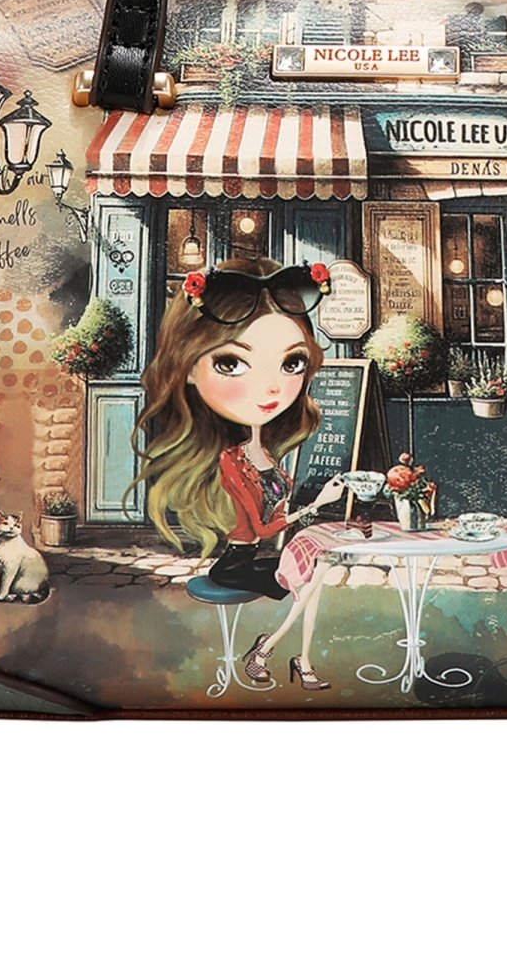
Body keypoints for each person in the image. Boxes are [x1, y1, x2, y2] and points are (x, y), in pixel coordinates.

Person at [134, 254, 356, 691]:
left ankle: (295, 656)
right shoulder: (230, 462)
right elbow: (263, 527)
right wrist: (317, 505)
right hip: (234, 566)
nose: (272, 388)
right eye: (231, 363)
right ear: (188, 367)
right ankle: (270, 651)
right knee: (307, 580)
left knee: (315, 571)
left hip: (252, 556)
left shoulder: (262, 450)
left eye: (291, 363)